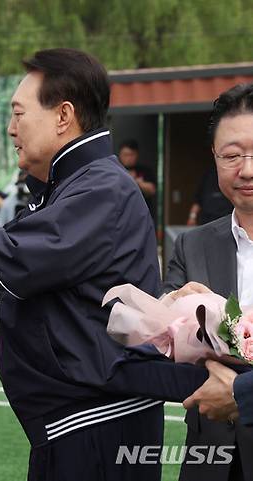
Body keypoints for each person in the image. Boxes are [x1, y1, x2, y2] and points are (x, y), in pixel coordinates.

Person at [0, 48, 210, 481]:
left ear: (63, 116)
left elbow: (13, 259)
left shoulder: (100, 189)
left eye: (18, 113)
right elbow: (7, 266)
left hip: (95, 426)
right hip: (80, 423)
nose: (11, 128)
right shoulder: (75, 184)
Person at [168, 83, 253, 481]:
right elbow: (159, 343)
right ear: (215, 159)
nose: (247, 169)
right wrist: (172, 310)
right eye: (232, 156)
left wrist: (240, 393)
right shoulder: (193, 243)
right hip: (209, 455)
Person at [118, 139, 157, 221]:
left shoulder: (145, 171)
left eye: (131, 155)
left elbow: (152, 190)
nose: (128, 158)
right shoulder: (115, 170)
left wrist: (136, 182)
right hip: (121, 215)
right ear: (120, 155)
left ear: (137, 155)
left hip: (142, 215)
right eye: (126, 155)